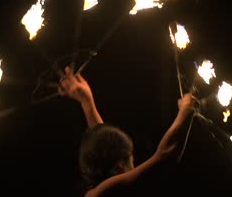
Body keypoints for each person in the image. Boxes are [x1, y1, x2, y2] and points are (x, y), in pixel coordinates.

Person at [58, 66, 198, 197]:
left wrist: (86, 101)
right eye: (131, 158)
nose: (134, 165)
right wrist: (185, 112)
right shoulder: (102, 193)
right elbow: (165, 154)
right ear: (120, 164)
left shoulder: (98, 190)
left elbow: (101, 141)